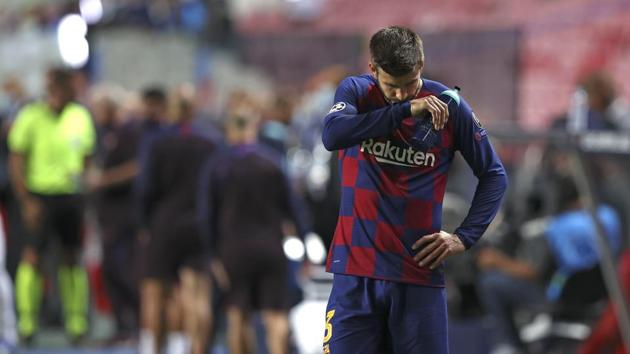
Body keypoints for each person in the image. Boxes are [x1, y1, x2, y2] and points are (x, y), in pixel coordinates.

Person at [320, 26, 508, 354]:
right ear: (373, 69)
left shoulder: (451, 107)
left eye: (409, 85)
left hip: (417, 276)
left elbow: (494, 175)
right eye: (392, 86)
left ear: (420, 65)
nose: (401, 94)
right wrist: (406, 110)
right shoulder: (356, 92)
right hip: (355, 274)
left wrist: (464, 236)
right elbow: (333, 136)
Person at [199, 103, 309, 354]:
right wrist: (302, 241)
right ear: (253, 127)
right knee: (276, 316)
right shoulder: (272, 163)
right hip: (270, 247)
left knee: (238, 316)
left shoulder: (218, 167)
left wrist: (212, 254)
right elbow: (294, 209)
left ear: (229, 129)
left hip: (233, 249)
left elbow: (207, 215)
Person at [8, 67, 96, 344]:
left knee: (71, 257)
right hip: (39, 196)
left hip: (70, 197)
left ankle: (76, 322)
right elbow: (17, 160)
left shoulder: (80, 116)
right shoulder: (31, 116)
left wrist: (84, 187)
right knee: (32, 257)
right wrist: (25, 200)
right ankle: (27, 322)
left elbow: (86, 157)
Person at [137, 90, 220, 354]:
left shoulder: (157, 142)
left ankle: (154, 348)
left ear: (171, 110)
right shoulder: (211, 142)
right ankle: (198, 349)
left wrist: (143, 224)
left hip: (164, 222)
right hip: (199, 223)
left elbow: (145, 188)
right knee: (198, 294)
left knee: (155, 292)